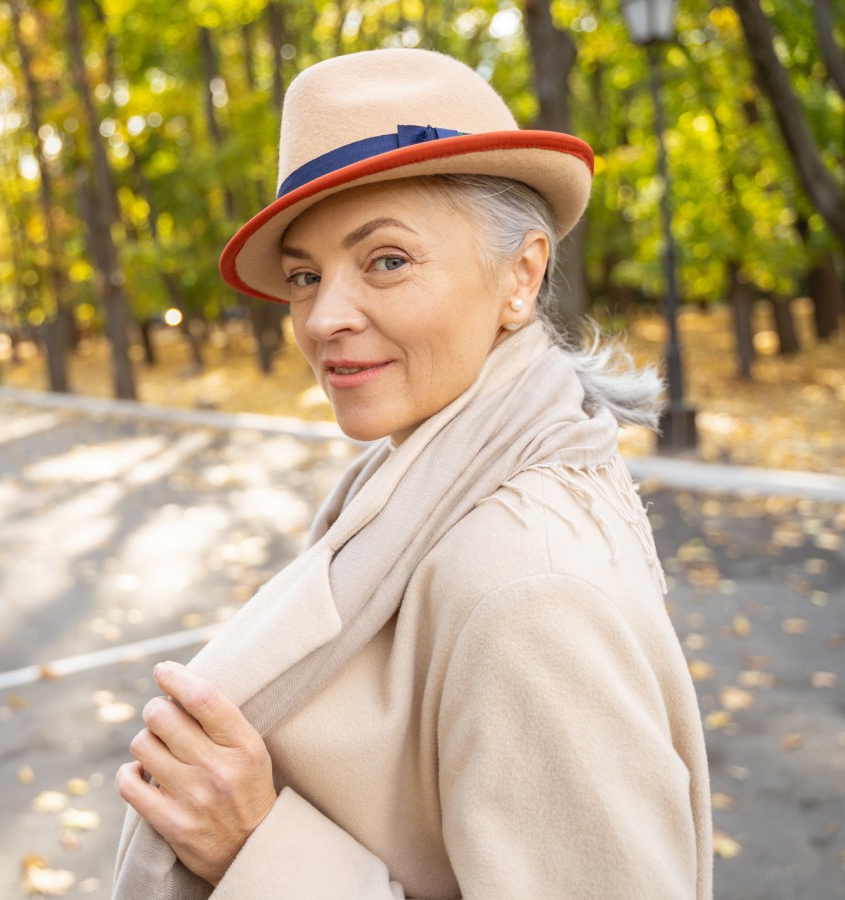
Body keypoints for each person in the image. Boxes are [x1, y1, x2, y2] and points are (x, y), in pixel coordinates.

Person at [113, 48, 713, 899]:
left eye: (386, 260)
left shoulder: (523, 588)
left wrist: (256, 846)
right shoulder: (457, 471)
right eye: (304, 276)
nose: (324, 317)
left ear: (521, 276)